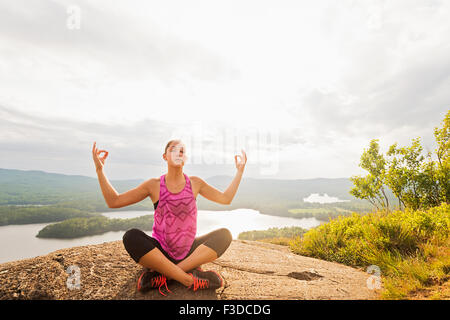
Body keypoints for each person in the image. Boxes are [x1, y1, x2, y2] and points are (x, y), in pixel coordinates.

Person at [92, 139, 247, 296]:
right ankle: (188, 279)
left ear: (185, 159)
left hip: (189, 252)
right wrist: (100, 170)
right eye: (173, 149)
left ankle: (165, 275)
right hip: (161, 253)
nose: (179, 153)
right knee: (131, 236)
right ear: (164, 156)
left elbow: (225, 198)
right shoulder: (153, 185)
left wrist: (239, 172)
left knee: (224, 235)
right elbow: (114, 201)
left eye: (182, 151)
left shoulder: (195, 183)